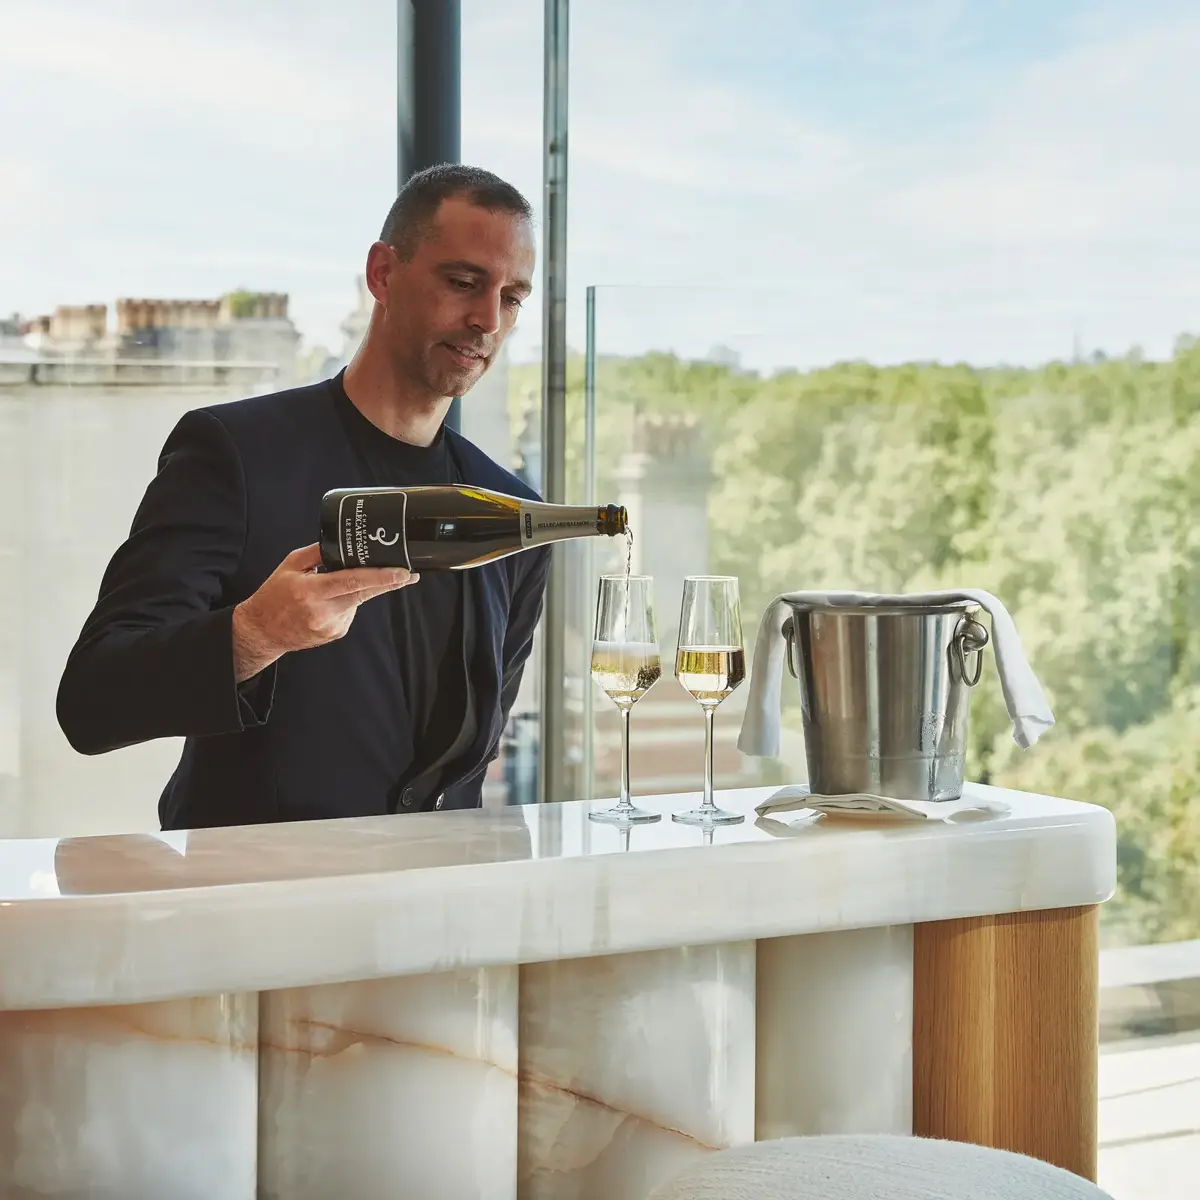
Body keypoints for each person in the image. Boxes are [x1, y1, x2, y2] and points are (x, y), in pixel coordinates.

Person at [56, 164, 549, 831]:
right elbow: (92, 701)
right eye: (463, 282)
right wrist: (254, 636)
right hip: (252, 914)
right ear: (382, 273)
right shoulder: (234, 452)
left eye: (512, 297)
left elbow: (467, 765)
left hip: (435, 916)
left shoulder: (512, 514)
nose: (487, 319)